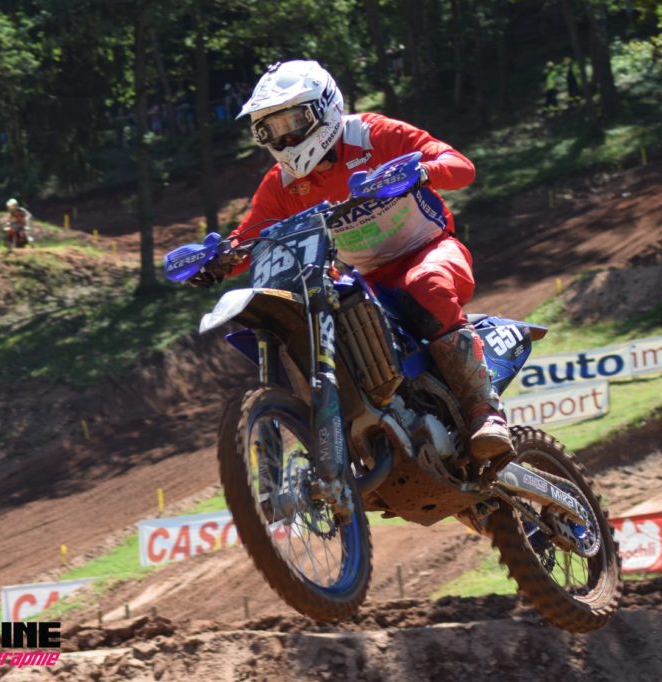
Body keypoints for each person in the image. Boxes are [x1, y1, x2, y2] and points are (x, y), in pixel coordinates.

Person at [190, 59, 513, 460]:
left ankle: (484, 411)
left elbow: (461, 167)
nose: (285, 138)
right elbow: (251, 237)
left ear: (324, 108)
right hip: (366, 278)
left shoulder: (375, 135)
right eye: (270, 129)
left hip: (429, 250)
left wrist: (422, 173)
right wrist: (218, 260)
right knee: (321, 320)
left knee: (425, 284)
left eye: (293, 122)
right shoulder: (282, 184)